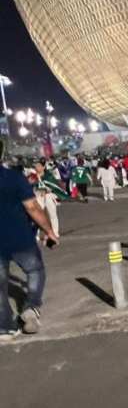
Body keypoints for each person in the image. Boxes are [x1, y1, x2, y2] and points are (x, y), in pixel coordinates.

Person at [1, 144, 59, 339]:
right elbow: (33, 208)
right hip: (20, 238)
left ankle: (5, 326)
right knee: (35, 271)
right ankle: (31, 307)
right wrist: (49, 231)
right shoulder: (14, 178)